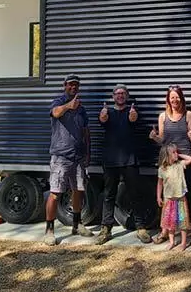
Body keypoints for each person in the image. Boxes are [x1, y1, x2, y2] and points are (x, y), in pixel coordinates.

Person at [96, 84, 152, 245]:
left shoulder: (132, 112)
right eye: (117, 93)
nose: (120, 96)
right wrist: (102, 117)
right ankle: (106, 228)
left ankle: (141, 227)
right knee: (109, 195)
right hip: (110, 160)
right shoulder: (107, 112)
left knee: (135, 194)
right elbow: (102, 122)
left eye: (123, 93)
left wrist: (133, 118)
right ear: (113, 96)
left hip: (130, 159)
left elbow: (135, 123)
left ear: (127, 96)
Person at [43, 73, 94, 246]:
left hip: (78, 157)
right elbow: (55, 113)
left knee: (78, 190)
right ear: (64, 85)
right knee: (56, 193)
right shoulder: (58, 102)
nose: (73, 87)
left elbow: (86, 131)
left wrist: (88, 153)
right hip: (61, 156)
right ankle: (49, 230)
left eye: (76, 85)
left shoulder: (81, 108)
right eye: (70, 84)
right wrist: (68, 106)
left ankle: (77, 224)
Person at [149, 85, 191, 245]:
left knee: (188, 197)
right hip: (168, 162)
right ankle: (165, 231)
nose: (175, 100)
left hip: (184, 162)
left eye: (177, 96)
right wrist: (154, 137)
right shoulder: (162, 116)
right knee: (167, 197)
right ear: (168, 99)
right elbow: (162, 140)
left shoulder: (189, 115)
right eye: (172, 97)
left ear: (181, 98)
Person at [156, 143, 191, 251]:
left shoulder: (180, 165)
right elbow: (159, 184)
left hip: (180, 199)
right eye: (173, 152)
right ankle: (172, 241)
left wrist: (180, 154)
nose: (176, 154)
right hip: (169, 200)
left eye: (176, 152)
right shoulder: (162, 169)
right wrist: (158, 197)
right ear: (166, 155)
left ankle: (183, 242)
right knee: (170, 222)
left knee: (183, 222)